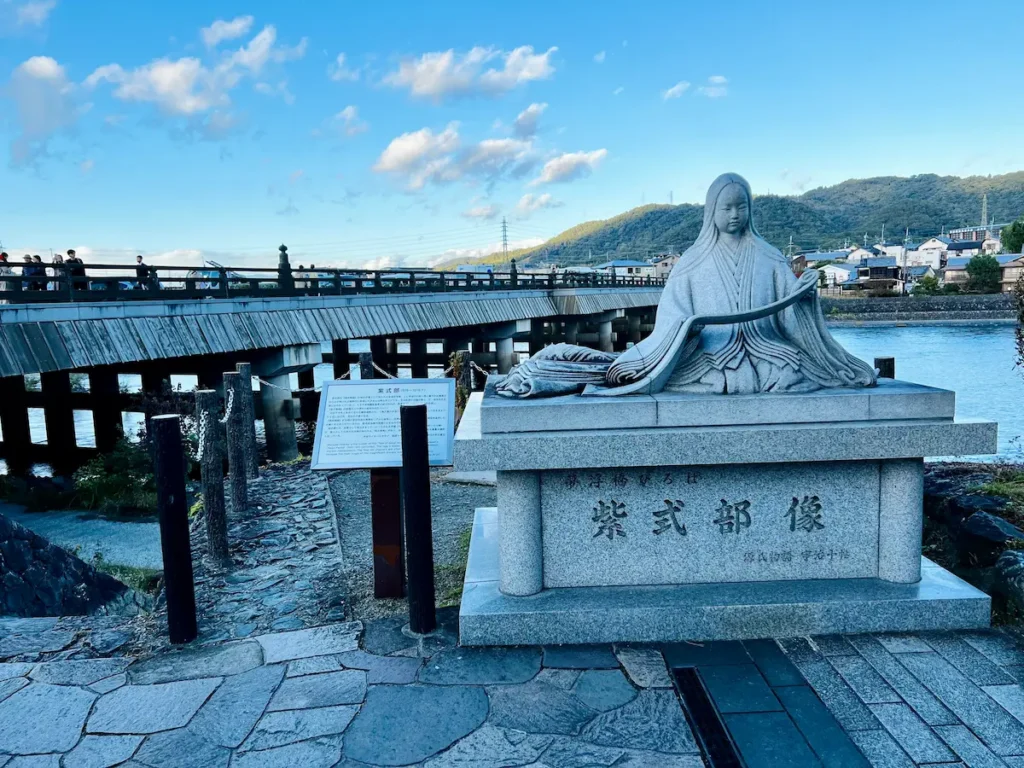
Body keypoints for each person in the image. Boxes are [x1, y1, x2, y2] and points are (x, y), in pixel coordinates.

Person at [497, 173, 876, 397]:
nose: (733, 215)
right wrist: (687, 331)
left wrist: (803, 298)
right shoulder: (693, 261)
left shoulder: (769, 257)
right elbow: (673, 316)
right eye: (725, 208)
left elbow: (789, 320)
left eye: (740, 207)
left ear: (750, 209)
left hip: (767, 351)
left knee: (792, 373)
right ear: (712, 211)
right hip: (706, 353)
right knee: (696, 375)